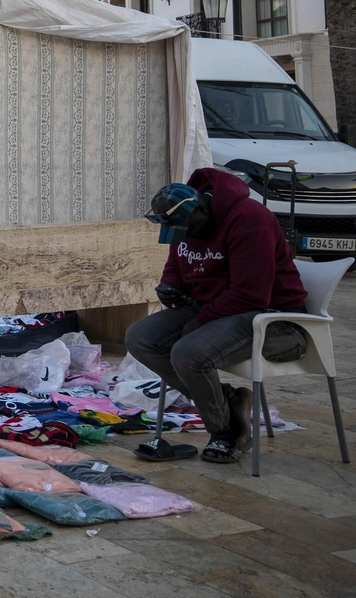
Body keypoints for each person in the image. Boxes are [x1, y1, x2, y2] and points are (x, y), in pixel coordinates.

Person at [129, 168, 310, 463]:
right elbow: (177, 260)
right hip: (217, 307)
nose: (184, 235)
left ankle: (227, 432)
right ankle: (228, 402)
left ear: (202, 209)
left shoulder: (250, 219)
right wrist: (170, 286)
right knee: (141, 338)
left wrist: (198, 323)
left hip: (276, 319)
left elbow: (252, 294)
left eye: (187, 229)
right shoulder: (187, 219)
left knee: (189, 353)